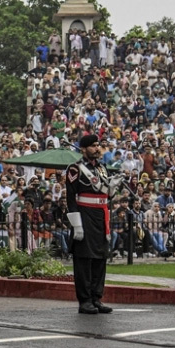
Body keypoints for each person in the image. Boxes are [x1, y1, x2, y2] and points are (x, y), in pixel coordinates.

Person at [65, 133, 113, 315]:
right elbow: (71, 197)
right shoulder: (75, 169)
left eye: (98, 145)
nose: (97, 148)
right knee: (84, 259)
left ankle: (96, 297)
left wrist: (113, 188)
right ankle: (84, 300)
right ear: (84, 149)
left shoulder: (102, 168)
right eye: (93, 146)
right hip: (84, 215)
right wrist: (76, 224)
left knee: (100, 259)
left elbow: (106, 196)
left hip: (101, 216)